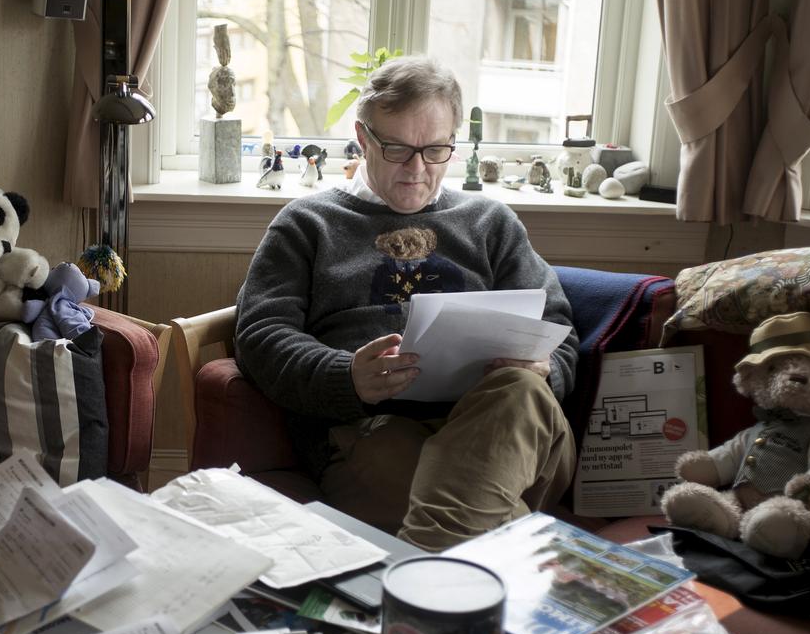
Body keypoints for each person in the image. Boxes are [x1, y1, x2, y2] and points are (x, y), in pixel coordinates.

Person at [234, 56, 579, 551]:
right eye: (396, 149)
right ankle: (488, 558)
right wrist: (346, 377)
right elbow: (261, 336)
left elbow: (557, 328)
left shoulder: (491, 223)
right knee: (405, 459)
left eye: (435, 150)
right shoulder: (308, 224)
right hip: (377, 430)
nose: (417, 169)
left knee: (522, 389)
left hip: (512, 428)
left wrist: (544, 366)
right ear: (363, 137)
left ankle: (431, 573)